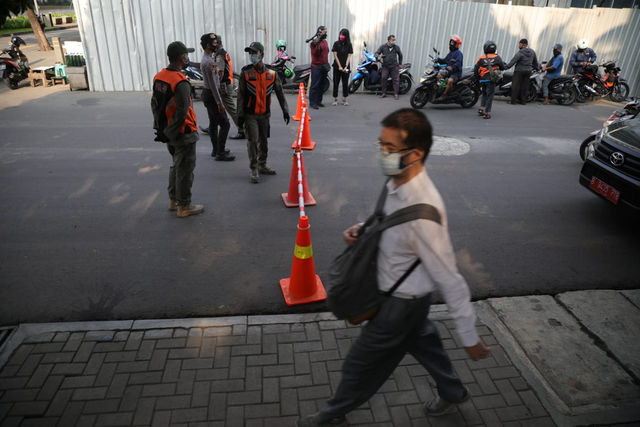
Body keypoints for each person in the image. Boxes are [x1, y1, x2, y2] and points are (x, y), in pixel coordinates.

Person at [296, 108, 491, 427]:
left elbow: (450, 278)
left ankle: (331, 417)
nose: (382, 154)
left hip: (400, 305)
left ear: (415, 154)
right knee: (426, 344)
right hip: (406, 304)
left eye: (389, 148)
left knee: (360, 365)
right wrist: (362, 228)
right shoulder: (396, 182)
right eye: (380, 146)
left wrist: (469, 334)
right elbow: (389, 223)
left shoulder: (425, 211)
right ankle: (453, 393)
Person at [151, 41, 204, 218]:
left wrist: (161, 130)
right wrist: (171, 132)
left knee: (176, 166)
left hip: (167, 132)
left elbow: (155, 105)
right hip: (183, 134)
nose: (188, 57)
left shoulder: (159, 76)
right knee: (185, 170)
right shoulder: (181, 82)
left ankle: (174, 200)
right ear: (182, 57)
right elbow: (182, 113)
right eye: (187, 55)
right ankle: (184, 206)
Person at [236, 42, 290, 184]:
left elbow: (280, 93)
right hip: (250, 114)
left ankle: (262, 164)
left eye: (255, 53)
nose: (252, 56)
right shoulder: (246, 73)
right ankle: (254, 168)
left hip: (265, 114)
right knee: (252, 141)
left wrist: (285, 110)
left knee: (264, 141)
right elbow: (241, 96)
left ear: (262, 55)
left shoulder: (271, 74)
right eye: (250, 53)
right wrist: (239, 116)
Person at [200, 33, 234, 161]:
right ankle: (220, 152)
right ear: (208, 45)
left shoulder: (208, 58)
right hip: (212, 96)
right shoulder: (209, 62)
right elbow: (214, 85)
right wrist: (219, 102)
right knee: (225, 124)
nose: (216, 45)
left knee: (213, 123)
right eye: (214, 43)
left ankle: (216, 149)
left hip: (208, 95)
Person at [214, 35, 245, 140]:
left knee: (231, 109)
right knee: (218, 107)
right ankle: (212, 126)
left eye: (214, 43)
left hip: (224, 85)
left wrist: (216, 83)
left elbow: (220, 72)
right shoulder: (224, 52)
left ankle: (243, 129)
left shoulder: (219, 55)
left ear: (218, 43)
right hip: (228, 83)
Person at [474, 40, 505, 119]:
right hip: (490, 80)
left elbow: (475, 69)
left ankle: (481, 108)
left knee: (484, 94)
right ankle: (486, 113)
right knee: (490, 96)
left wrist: (477, 79)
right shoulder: (497, 57)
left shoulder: (481, 58)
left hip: (482, 80)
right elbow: (502, 67)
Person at [504, 38, 539, 105]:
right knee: (525, 86)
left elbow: (513, 61)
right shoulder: (532, 52)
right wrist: (537, 68)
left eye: (519, 44)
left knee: (515, 86)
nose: (519, 46)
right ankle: (523, 101)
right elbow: (535, 62)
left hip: (519, 71)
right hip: (528, 71)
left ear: (524, 45)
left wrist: (505, 67)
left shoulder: (520, 53)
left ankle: (513, 101)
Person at [375, 35, 404, 100]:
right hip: (385, 66)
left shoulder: (396, 47)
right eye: (392, 40)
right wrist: (378, 56)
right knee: (383, 78)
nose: (394, 41)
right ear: (389, 40)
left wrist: (400, 64)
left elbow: (400, 55)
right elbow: (376, 53)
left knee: (396, 80)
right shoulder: (383, 46)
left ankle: (396, 94)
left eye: (394, 40)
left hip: (394, 66)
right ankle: (384, 93)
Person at [435, 35, 463, 101]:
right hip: (449, 72)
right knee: (438, 75)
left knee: (450, 80)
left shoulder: (459, 53)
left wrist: (452, 67)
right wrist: (438, 60)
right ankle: (442, 88)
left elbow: (458, 63)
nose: (451, 44)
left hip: (456, 73)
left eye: (453, 43)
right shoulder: (451, 53)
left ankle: (445, 94)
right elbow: (445, 60)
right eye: (451, 42)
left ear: (457, 44)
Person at [309, 26, 330, 109]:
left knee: (322, 85)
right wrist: (317, 43)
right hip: (316, 67)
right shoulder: (314, 43)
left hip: (324, 67)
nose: (325, 33)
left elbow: (326, 52)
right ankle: (312, 103)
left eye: (326, 32)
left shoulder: (325, 42)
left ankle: (318, 101)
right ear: (319, 32)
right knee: (315, 85)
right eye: (324, 32)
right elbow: (316, 53)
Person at [331, 28, 353, 106]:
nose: (341, 36)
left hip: (345, 66)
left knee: (345, 82)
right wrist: (340, 66)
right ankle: (335, 98)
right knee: (336, 82)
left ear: (346, 36)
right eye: (340, 34)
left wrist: (346, 66)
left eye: (343, 35)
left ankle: (344, 99)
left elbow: (349, 56)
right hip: (337, 66)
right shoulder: (336, 44)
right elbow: (335, 55)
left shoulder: (349, 44)